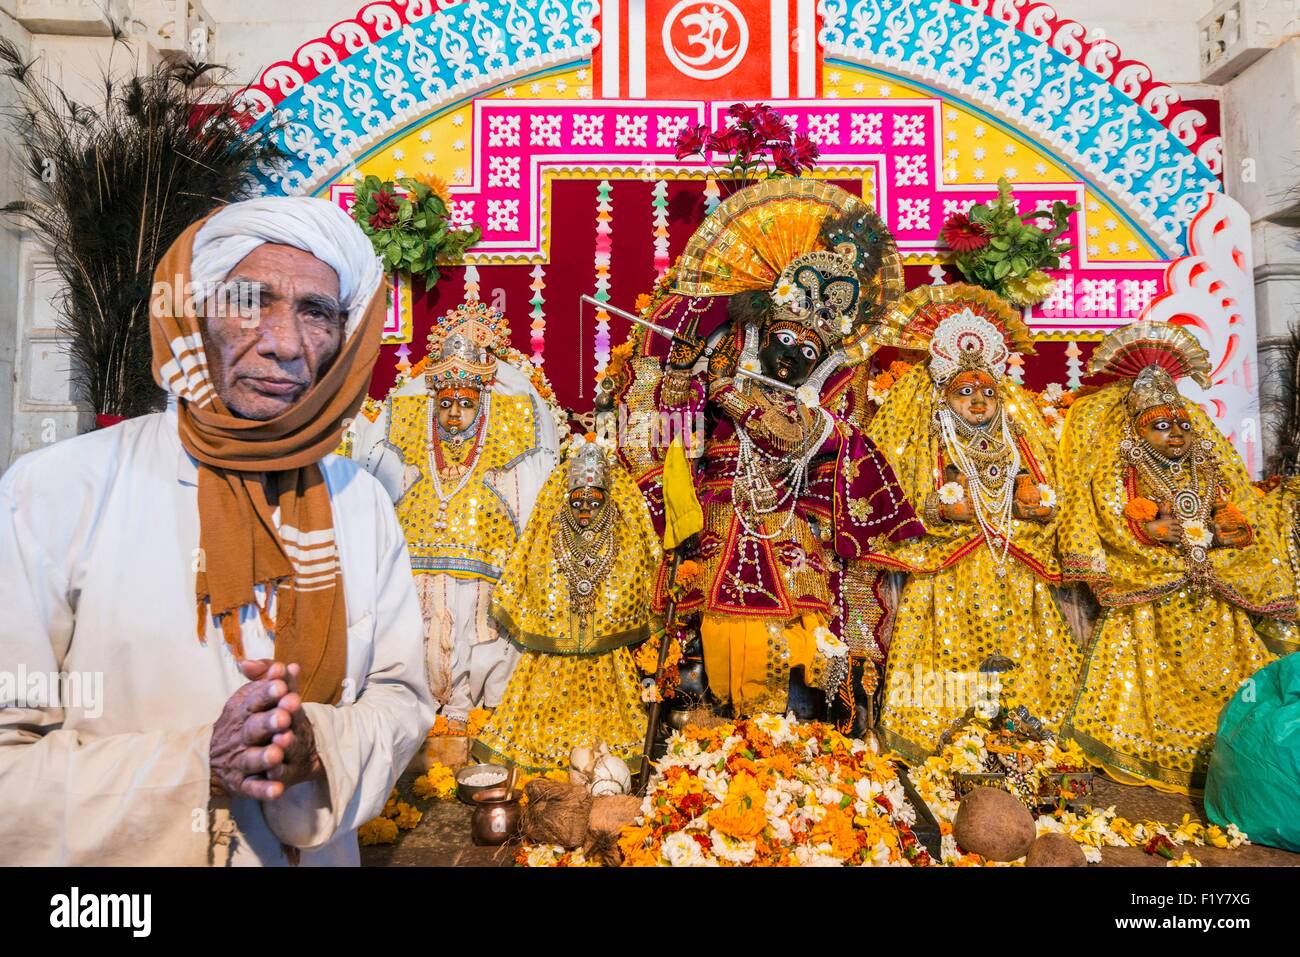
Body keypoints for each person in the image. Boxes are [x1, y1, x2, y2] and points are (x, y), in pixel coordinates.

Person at [0, 198, 435, 865]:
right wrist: (197, 764)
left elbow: (400, 700)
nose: (286, 343)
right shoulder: (57, 492)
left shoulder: (361, 503)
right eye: (248, 300)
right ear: (192, 315)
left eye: (315, 311)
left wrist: (316, 747)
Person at [646, 178, 924, 719]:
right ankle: (710, 734)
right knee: (711, 618)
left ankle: (810, 733)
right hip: (722, 512)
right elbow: (672, 430)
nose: (791, 357)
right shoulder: (726, 350)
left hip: (795, 518)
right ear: (765, 331)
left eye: (807, 350)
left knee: (807, 625)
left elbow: (834, 436)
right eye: (785, 341)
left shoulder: (837, 386)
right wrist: (686, 376)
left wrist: (757, 409)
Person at [1058, 321, 1294, 793]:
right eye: (1160, 426)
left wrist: (1229, 531)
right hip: (1153, 594)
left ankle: (1229, 749)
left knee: (1230, 674)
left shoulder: (1207, 467)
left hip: (1214, 596)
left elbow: (1237, 509)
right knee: (1147, 680)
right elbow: (1111, 511)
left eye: (1183, 425)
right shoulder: (1122, 464)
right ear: (1136, 432)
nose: (1176, 435)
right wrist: (1150, 531)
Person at [865, 285, 1081, 760]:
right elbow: (905, 491)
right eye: (965, 392)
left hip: (1014, 566)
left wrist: (1034, 503)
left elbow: (1041, 484)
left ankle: (1025, 730)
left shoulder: (1015, 436)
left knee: (1021, 656)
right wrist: (939, 508)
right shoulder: (933, 438)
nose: (979, 402)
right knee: (949, 657)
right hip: (950, 569)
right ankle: (947, 733)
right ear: (943, 397)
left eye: (987, 392)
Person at [352, 301, 558, 727]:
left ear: (483, 403)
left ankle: (476, 714)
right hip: (423, 560)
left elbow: (530, 456)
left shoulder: (509, 425)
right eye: (445, 403)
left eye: (465, 403)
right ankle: (421, 711)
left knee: (481, 631)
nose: (453, 414)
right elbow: (378, 457)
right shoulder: (409, 421)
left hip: (483, 555)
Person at [472, 437, 660, 772]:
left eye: (594, 503)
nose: (585, 511)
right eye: (577, 504)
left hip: (606, 658)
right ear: (564, 501)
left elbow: (633, 578)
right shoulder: (551, 535)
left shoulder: (621, 536)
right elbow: (537, 574)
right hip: (553, 658)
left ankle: (604, 765)